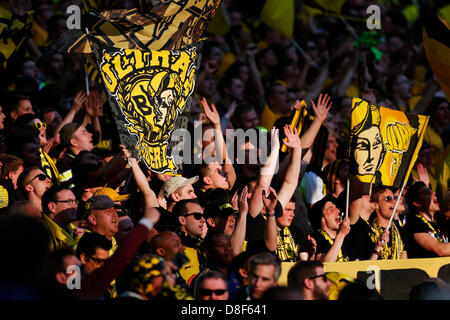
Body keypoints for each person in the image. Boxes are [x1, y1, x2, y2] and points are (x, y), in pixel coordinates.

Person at [405, 181, 450, 258]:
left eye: (431, 192)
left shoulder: (440, 220)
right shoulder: (414, 223)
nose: (434, 194)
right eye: (427, 193)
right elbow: (440, 250)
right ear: (417, 203)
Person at [192, 231, 241, 299]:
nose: (227, 249)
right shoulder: (202, 279)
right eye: (220, 245)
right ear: (208, 252)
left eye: (229, 244)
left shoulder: (238, 272)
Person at [173, 199, 207, 286]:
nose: (203, 220)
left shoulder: (205, 246)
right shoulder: (171, 250)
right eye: (198, 216)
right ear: (182, 220)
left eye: (203, 216)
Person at [309, 195, 351, 262]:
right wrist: (341, 234)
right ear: (322, 219)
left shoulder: (346, 238)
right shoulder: (316, 238)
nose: (338, 211)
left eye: (337, 208)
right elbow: (326, 265)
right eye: (331, 209)